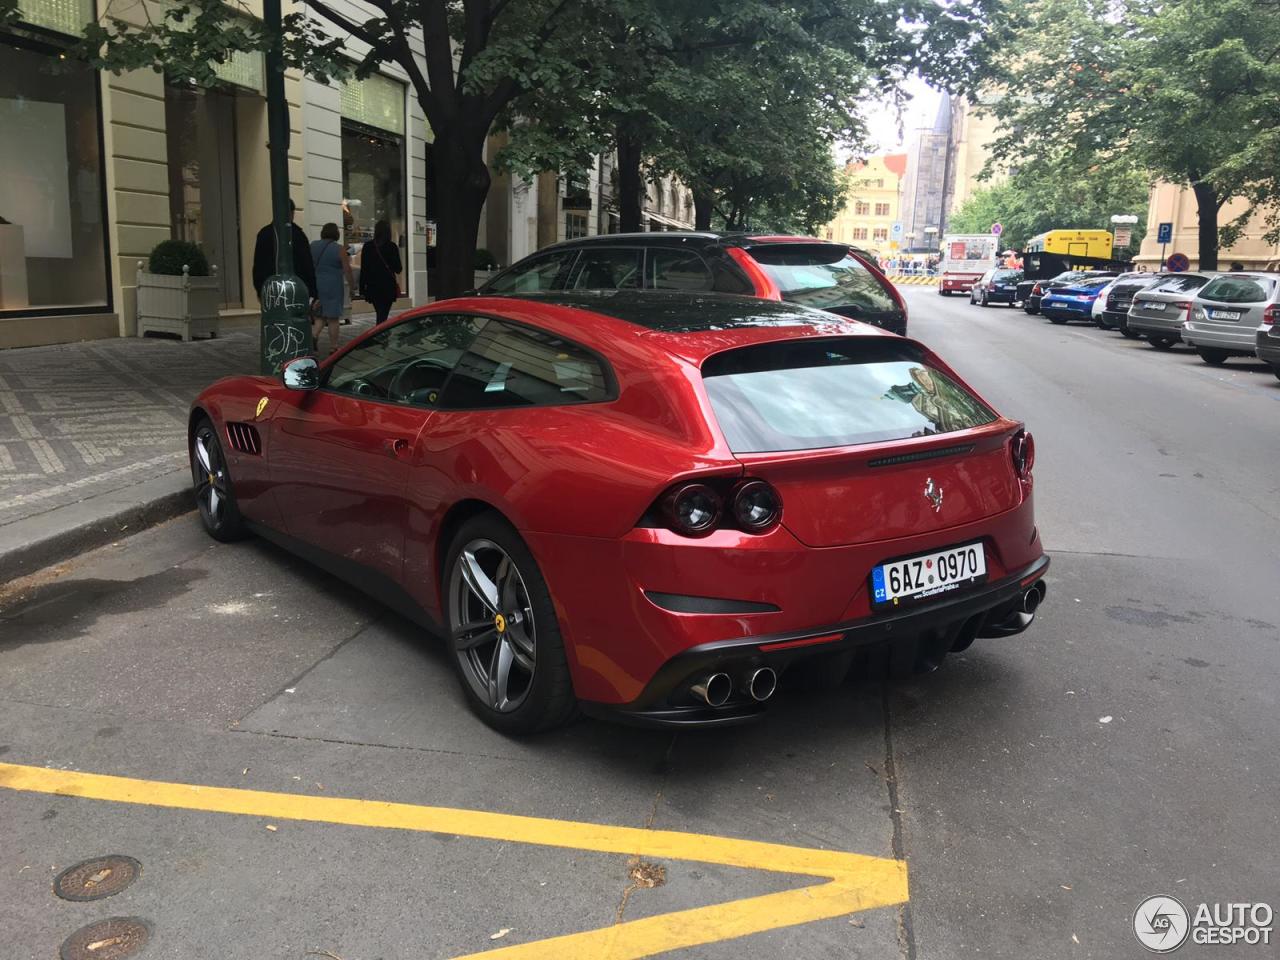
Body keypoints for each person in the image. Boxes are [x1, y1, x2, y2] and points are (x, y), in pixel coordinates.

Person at [251, 199, 317, 304]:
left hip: (270, 289)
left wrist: (260, 290)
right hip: (295, 289)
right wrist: (313, 292)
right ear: (291, 213)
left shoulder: (264, 234)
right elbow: (307, 264)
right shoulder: (298, 235)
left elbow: (258, 265)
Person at [310, 222, 353, 356]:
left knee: (320, 315)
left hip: (316, 284)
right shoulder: (339, 249)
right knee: (333, 317)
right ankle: (334, 346)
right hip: (333, 285)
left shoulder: (313, 246)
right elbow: (347, 269)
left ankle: (314, 335)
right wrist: (352, 286)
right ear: (336, 234)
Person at [359, 219, 403, 324]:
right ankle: (380, 334)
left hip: (373, 286)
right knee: (383, 314)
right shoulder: (392, 247)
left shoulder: (368, 247)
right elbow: (398, 269)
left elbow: (364, 269)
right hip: (387, 286)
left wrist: (362, 288)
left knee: (380, 313)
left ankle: (380, 333)